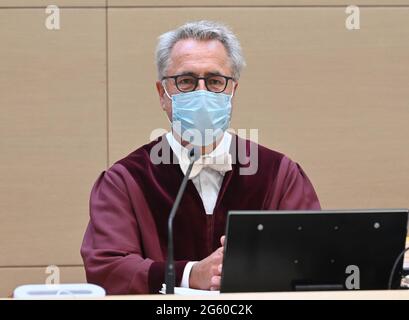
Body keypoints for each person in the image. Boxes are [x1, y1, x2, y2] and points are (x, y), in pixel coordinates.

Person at [81, 20, 321, 295]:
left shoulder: (279, 174)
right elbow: (107, 268)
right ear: (162, 94)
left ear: (233, 91)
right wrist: (189, 274)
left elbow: (312, 260)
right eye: (186, 81)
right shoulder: (124, 180)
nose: (202, 92)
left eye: (215, 81)